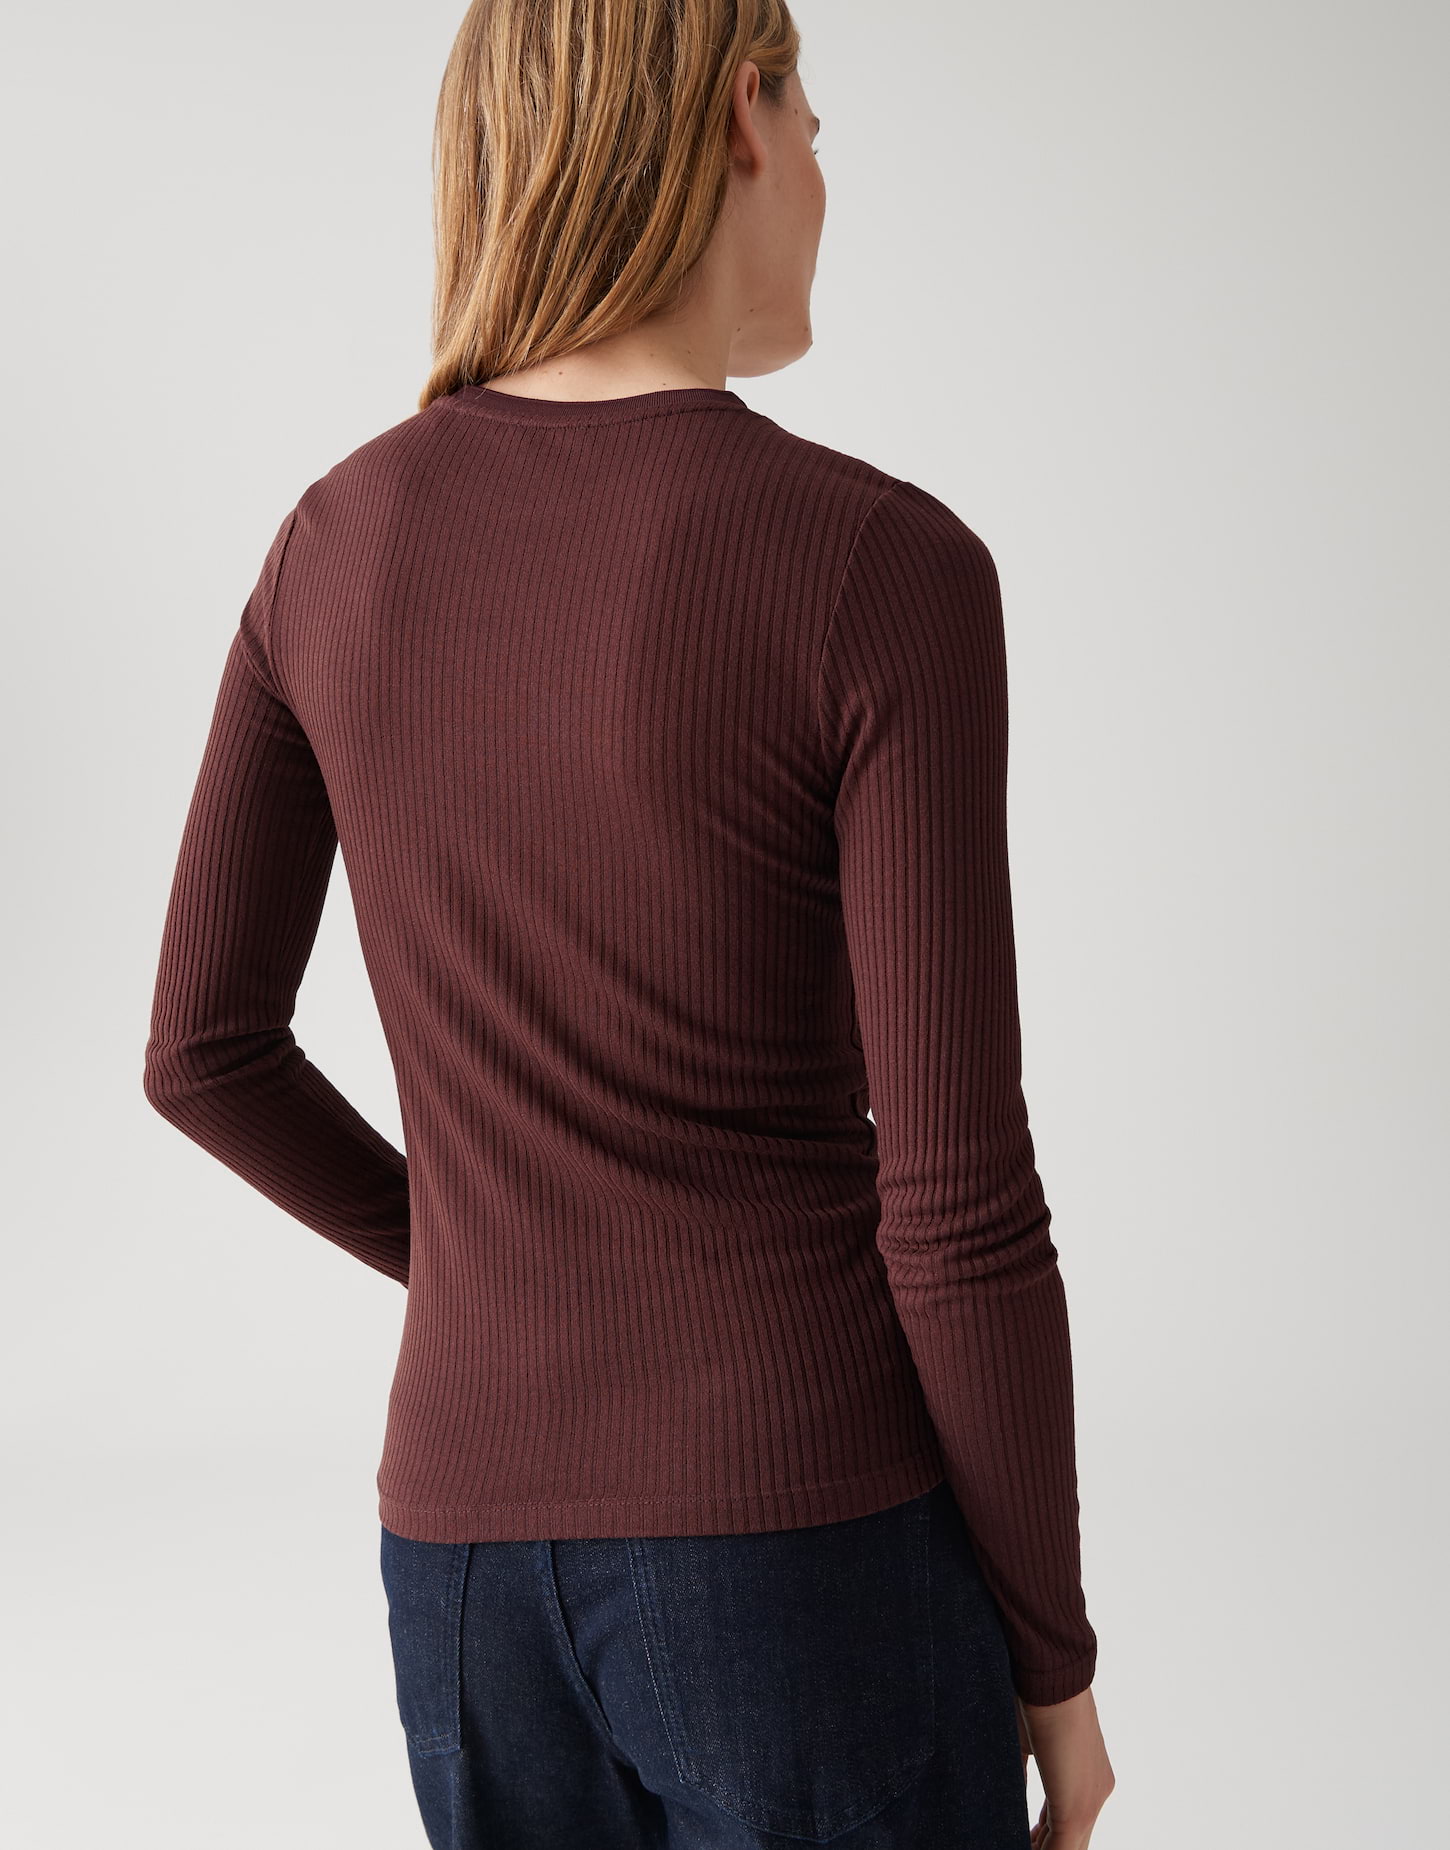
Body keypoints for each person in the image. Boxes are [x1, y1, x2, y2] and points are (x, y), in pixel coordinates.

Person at [142, 2, 1116, 1845]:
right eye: (812, 118)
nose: (821, 166)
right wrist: (1050, 1657)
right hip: (801, 1545)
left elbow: (202, 1052)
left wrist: (492, 1260)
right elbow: (959, 1207)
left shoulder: (332, 545)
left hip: (462, 1564)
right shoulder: (879, 565)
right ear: (742, 117)